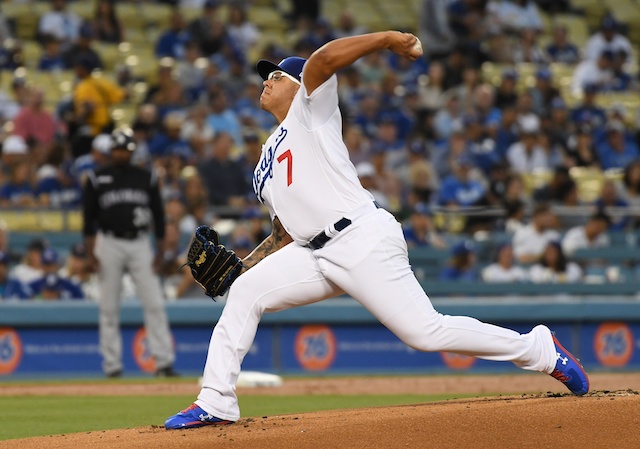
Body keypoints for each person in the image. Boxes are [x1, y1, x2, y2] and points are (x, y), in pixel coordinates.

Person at [164, 31, 589, 430]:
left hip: (360, 237)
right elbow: (283, 232)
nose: (266, 81)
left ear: (298, 85)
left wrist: (387, 39)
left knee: (425, 332)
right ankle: (215, 401)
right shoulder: (264, 159)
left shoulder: (311, 110)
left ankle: (539, 349)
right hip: (314, 252)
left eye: (276, 75)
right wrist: (243, 266)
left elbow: (325, 58)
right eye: (265, 77)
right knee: (245, 293)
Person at [82, 127, 177, 378]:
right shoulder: (96, 177)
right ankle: (112, 366)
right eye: (118, 149)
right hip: (109, 241)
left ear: (132, 151)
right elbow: (88, 220)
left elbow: (159, 216)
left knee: (154, 303)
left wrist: (159, 252)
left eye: (126, 149)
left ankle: (163, 362)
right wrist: (91, 254)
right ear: (111, 150)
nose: (122, 153)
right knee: (109, 307)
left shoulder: (146, 177)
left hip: (139, 242)